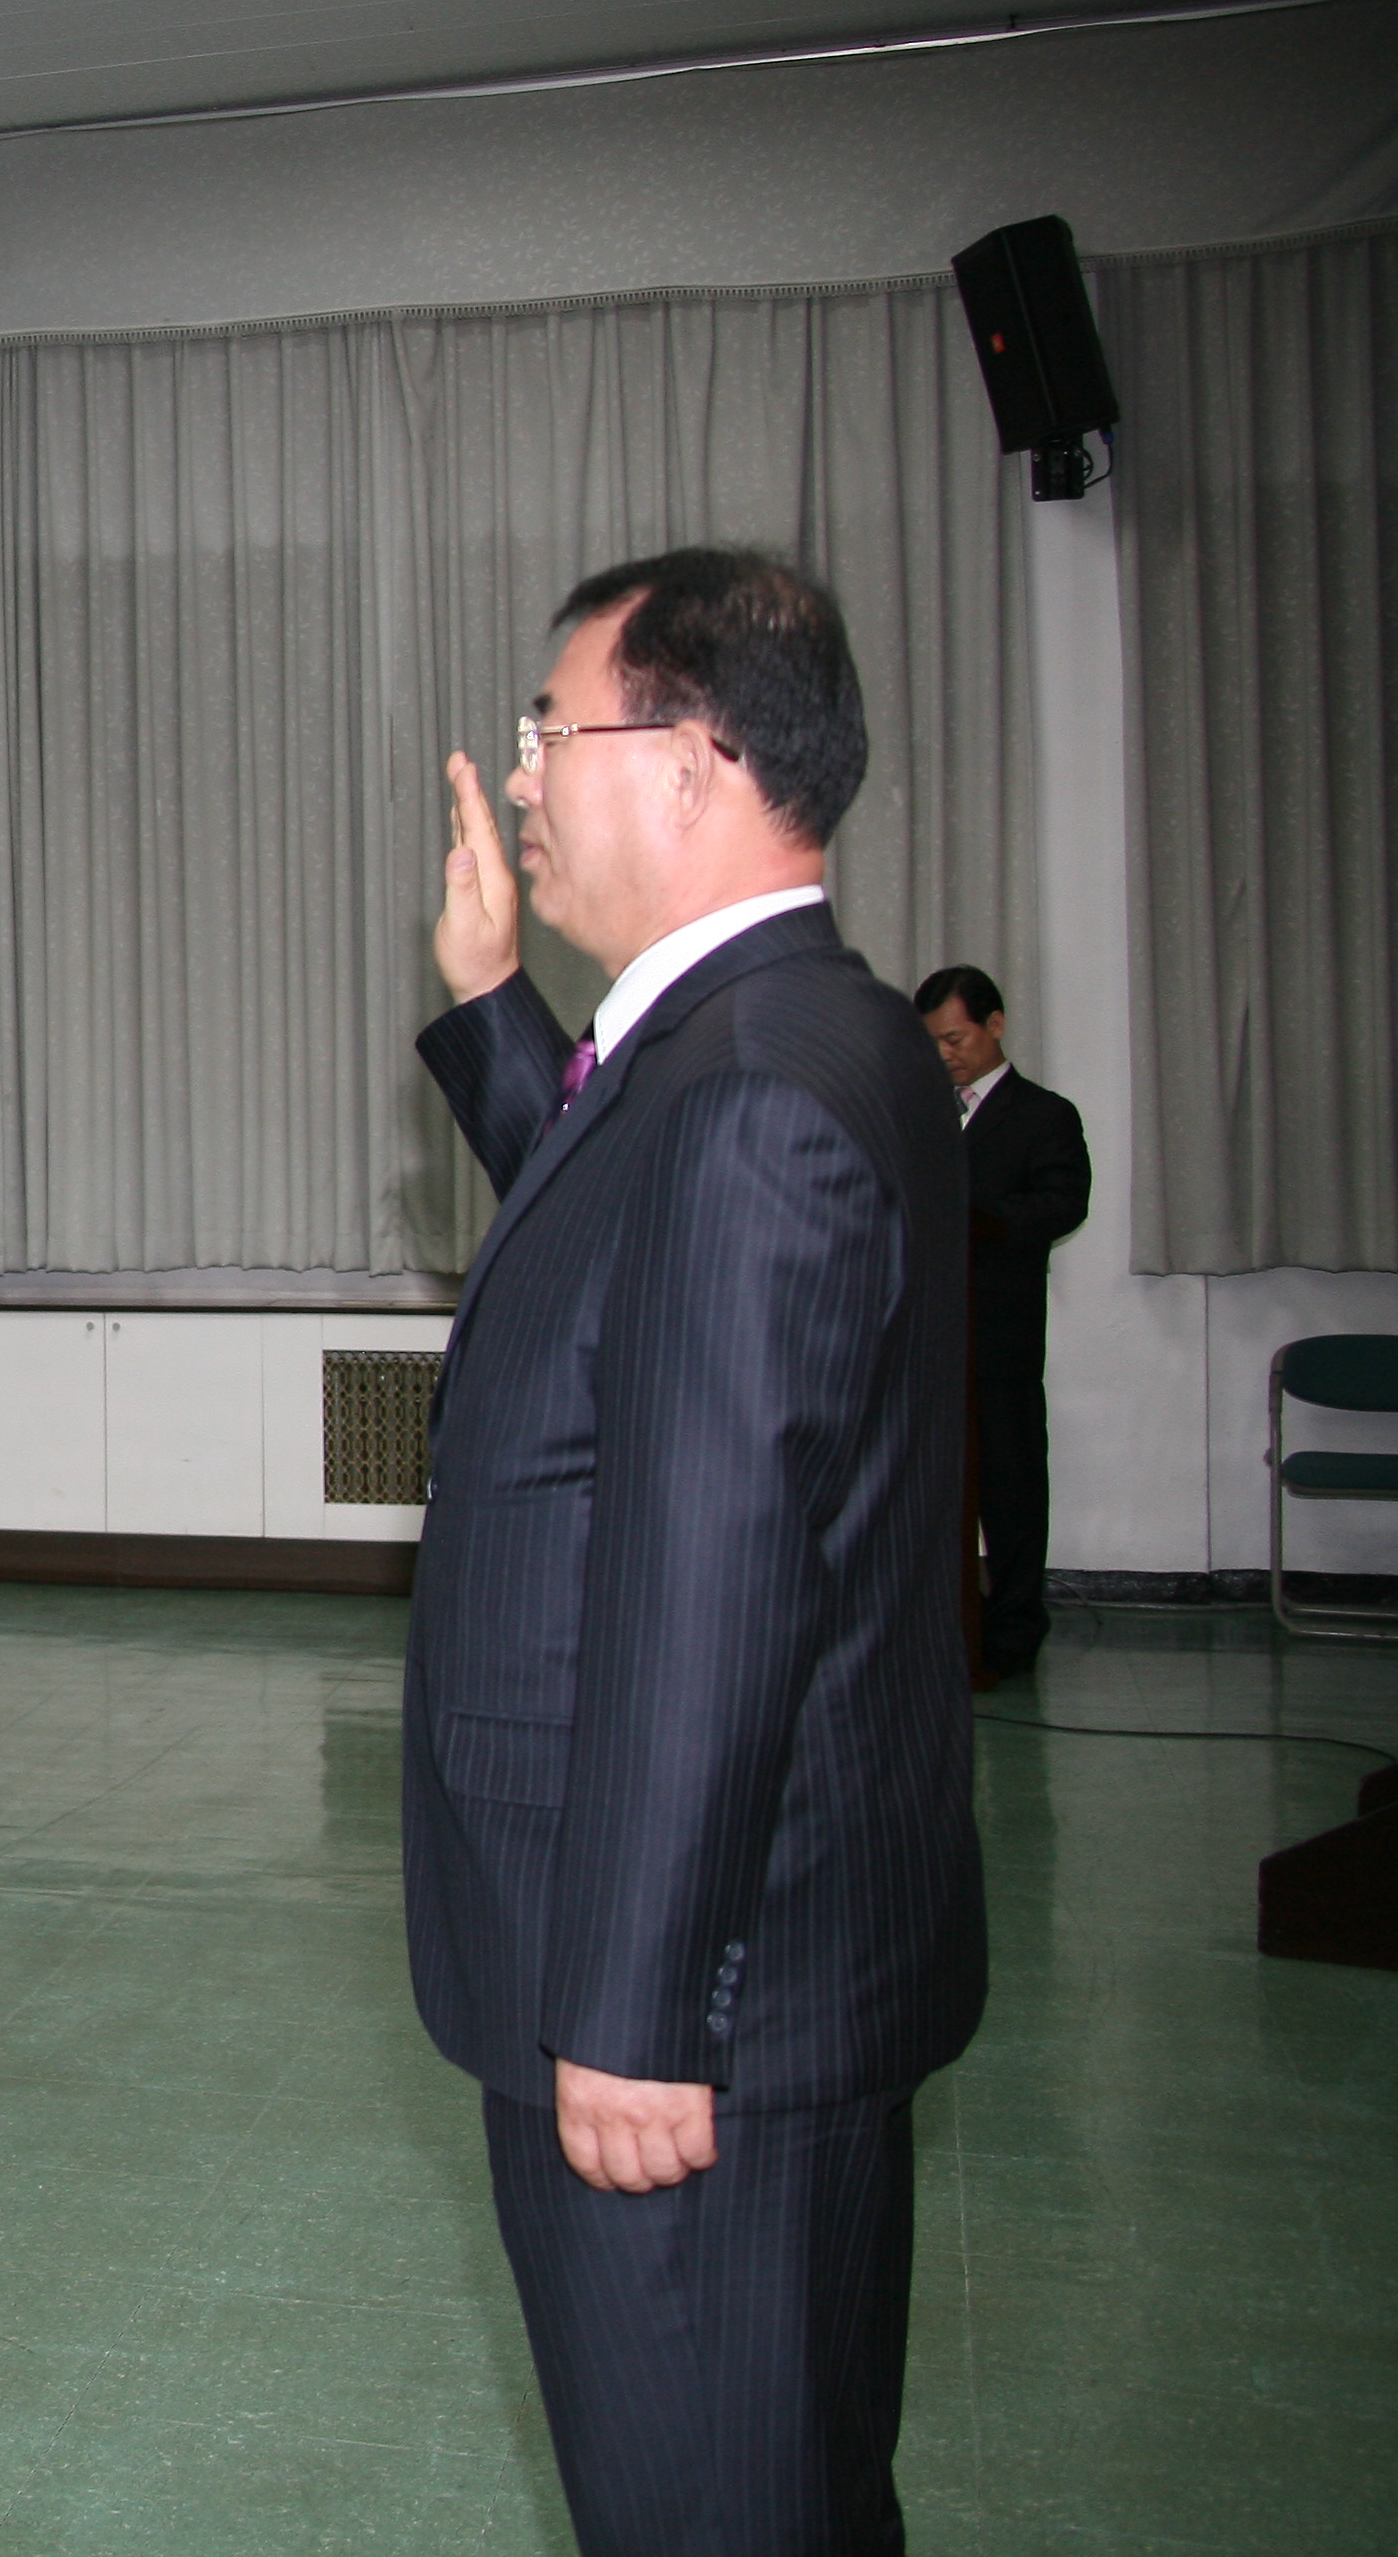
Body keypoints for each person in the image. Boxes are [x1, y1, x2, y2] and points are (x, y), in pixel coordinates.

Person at [411, 548, 984, 2557]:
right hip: (774, 1973)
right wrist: (495, 1006)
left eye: (559, 726)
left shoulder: (751, 1091)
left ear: (702, 754)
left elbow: (716, 1579)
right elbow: (624, 1265)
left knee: (715, 2513)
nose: (534, 773)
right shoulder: (792, 1041)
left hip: (697, 2014)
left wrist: (641, 2007)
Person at [911, 966, 1092, 1677]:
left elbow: (1062, 1203)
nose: (946, 1055)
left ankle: (1012, 1629)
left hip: (1000, 1337)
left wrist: (982, 1222)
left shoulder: (1045, 1115)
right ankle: (942, 1622)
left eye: (955, 1038)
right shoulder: (920, 1112)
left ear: (995, 1025)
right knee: (935, 1491)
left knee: (1011, 1487)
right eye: (933, 1043)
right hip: (928, 1337)